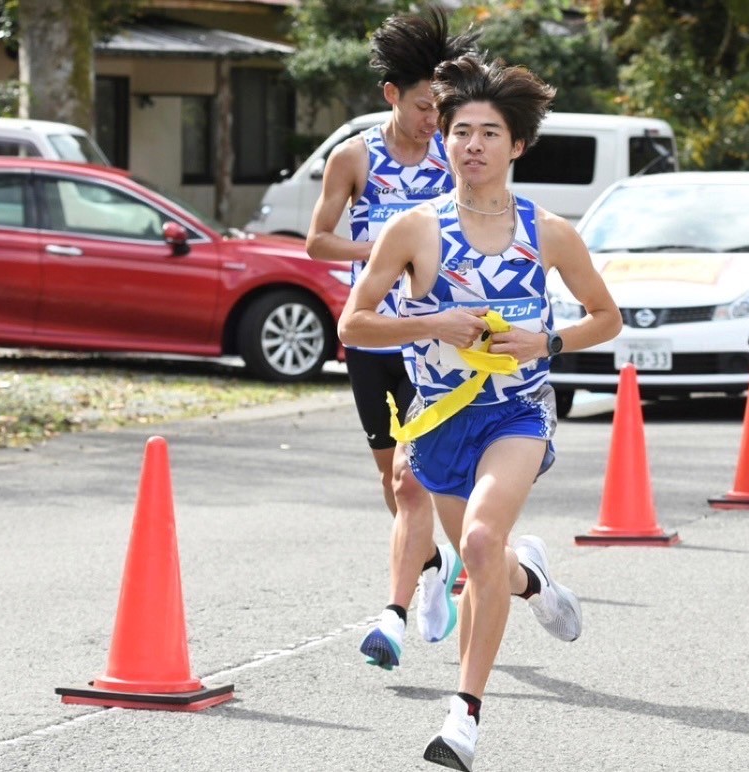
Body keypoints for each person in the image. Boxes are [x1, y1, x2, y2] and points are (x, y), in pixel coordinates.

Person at [338, 53, 621, 771]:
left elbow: (606, 318)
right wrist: (431, 324)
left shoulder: (548, 232)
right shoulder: (414, 229)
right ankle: (538, 582)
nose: (471, 145)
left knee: (484, 545)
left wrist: (546, 339)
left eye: (489, 133)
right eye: (460, 130)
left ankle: (463, 717)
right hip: (438, 422)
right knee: (489, 564)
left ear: (517, 145)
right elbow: (353, 325)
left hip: (516, 415)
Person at [305, 5, 479, 663]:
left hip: (431, 340)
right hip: (372, 336)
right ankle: (432, 564)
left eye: (439, 106)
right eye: (421, 107)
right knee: (391, 477)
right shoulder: (355, 158)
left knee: (414, 479)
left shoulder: (450, 155)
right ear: (391, 97)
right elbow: (317, 241)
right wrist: (379, 250)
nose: (432, 119)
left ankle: (407, 605)